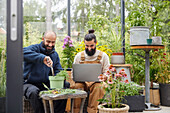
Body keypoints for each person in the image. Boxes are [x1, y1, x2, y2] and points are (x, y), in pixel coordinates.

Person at [23, 31, 70, 113]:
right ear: (43, 39)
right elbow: (21, 52)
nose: (50, 45)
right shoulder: (34, 48)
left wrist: (61, 76)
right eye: (48, 41)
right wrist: (42, 58)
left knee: (65, 85)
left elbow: (58, 70)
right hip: (28, 83)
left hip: (45, 84)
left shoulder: (54, 55)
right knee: (33, 91)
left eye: (53, 42)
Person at [73, 29, 110, 113]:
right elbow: (73, 73)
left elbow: (107, 72)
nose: (89, 49)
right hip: (83, 82)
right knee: (77, 86)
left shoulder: (103, 56)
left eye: (91, 46)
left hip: (96, 83)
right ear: (84, 44)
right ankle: (76, 111)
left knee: (98, 86)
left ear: (96, 43)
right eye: (87, 46)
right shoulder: (79, 56)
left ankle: (92, 111)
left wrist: (104, 76)